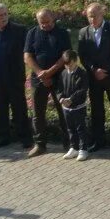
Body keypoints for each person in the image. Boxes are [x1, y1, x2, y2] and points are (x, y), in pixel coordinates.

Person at [76, 2, 110, 154]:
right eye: (89, 17)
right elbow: (83, 55)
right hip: (94, 78)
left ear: (102, 14)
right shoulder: (83, 32)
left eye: (94, 16)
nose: (91, 20)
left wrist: (104, 69)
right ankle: (99, 141)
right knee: (97, 110)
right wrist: (93, 69)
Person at [0, 2, 33, 151]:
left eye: (5, 14)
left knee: (19, 109)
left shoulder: (19, 30)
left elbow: (26, 51)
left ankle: (25, 138)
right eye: (0, 15)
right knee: (1, 110)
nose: (3, 17)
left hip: (14, 78)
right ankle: (4, 138)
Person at [24, 8, 72, 155]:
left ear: (53, 19)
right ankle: (40, 144)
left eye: (47, 22)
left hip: (59, 78)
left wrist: (50, 72)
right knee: (38, 112)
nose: (45, 25)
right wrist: (40, 73)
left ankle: (69, 143)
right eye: (41, 23)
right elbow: (27, 56)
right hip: (38, 79)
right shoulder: (32, 33)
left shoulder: (62, 33)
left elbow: (65, 57)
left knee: (63, 111)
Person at [55, 49, 90, 160]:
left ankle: (83, 149)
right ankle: (73, 147)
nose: (68, 67)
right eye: (66, 65)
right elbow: (59, 89)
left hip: (78, 107)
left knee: (80, 128)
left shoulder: (82, 73)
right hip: (66, 107)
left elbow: (82, 89)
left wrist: (71, 99)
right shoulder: (63, 73)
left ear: (76, 60)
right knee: (70, 128)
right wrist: (61, 98)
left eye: (70, 64)